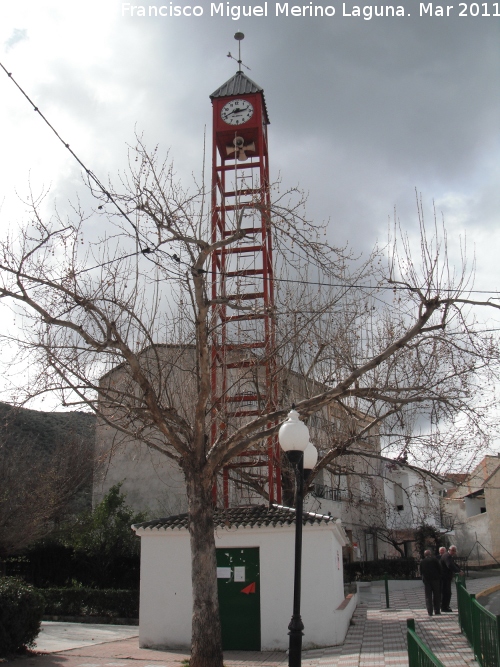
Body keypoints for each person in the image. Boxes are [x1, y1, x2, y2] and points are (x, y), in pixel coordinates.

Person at [440, 545, 463, 612]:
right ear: (449, 550)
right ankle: (444, 607)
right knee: (446, 592)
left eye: (454, 551)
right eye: (452, 550)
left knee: (447, 592)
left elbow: (453, 564)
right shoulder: (447, 556)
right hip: (444, 577)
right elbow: (450, 565)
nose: (453, 552)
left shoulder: (448, 556)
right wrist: (458, 571)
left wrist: (459, 569)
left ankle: (445, 606)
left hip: (446, 577)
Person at [420, 549, 442, 616]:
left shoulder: (422, 562)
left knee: (428, 596)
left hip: (427, 580)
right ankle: (437, 610)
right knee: (436, 595)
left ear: (424, 555)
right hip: (435, 580)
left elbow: (421, 572)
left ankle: (430, 611)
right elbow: (440, 569)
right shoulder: (435, 560)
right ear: (430, 554)